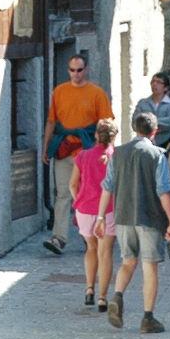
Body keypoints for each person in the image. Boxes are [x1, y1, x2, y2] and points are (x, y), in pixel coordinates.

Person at [97, 110, 170, 333]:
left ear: (134, 128)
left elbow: (107, 186)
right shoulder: (157, 155)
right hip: (150, 217)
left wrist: (101, 217)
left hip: (123, 217)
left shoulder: (118, 153)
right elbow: (164, 191)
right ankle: (148, 318)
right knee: (149, 266)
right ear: (155, 131)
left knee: (127, 261)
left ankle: (117, 295)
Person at [42, 51, 113, 256]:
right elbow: (51, 122)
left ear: (86, 70)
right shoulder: (59, 92)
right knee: (63, 193)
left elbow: (106, 124)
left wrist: (106, 150)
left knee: (89, 192)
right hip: (64, 148)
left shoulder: (97, 93)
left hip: (88, 150)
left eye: (79, 70)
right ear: (68, 70)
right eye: (72, 70)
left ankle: (89, 235)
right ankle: (59, 238)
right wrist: (46, 147)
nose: (76, 74)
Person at [71, 117, 117, 309]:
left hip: (85, 209)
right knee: (105, 252)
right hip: (108, 210)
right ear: (114, 137)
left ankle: (89, 288)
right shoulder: (116, 157)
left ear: (96, 135)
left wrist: (78, 200)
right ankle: (102, 297)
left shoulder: (83, 156)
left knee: (90, 248)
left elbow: (73, 184)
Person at [132, 72, 170, 152]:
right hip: (145, 147)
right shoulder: (143, 103)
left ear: (165, 88)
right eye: (153, 81)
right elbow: (135, 122)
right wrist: (156, 126)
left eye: (158, 82)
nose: (154, 84)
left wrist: (149, 123)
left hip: (167, 145)